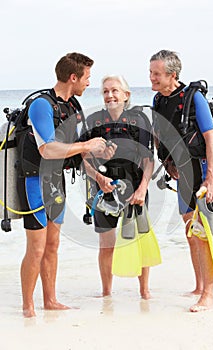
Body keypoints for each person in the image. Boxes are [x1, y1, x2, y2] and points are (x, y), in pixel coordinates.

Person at [17, 52, 107, 317]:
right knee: (36, 247)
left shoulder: (73, 107)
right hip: (34, 180)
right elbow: (47, 149)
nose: (89, 83)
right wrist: (86, 145)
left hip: (56, 181)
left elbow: (76, 152)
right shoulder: (41, 105)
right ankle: (28, 307)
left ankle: (50, 300)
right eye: (87, 77)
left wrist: (99, 171)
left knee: (53, 244)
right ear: (73, 77)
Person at [149, 50, 213, 312]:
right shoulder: (158, 99)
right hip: (181, 172)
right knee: (190, 232)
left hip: (201, 170)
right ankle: (199, 286)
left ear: (172, 75)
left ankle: (208, 295)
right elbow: (161, 134)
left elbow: (210, 138)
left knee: (201, 232)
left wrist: (210, 179)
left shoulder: (194, 98)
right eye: (151, 72)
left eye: (156, 73)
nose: (152, 78)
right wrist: (167, 163)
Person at [81, 75, 154, 299]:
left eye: (114, 90)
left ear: (126, 95)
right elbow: (82, 158)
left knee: (139, 241)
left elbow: (148, 160)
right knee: (106, 243)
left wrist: (142, 189)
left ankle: (144, 291)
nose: (110, 95)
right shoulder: (93, 121)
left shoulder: (139, 120)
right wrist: (99, 179)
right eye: (105, 91)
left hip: (135, 187)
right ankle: (106, 292)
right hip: (103, 189)